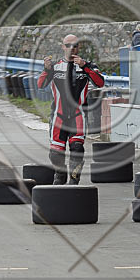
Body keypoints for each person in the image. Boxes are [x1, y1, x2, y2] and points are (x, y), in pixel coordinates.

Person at [38, 34, 105, 185]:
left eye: (74, 45)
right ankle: (59, 175)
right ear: (63, 47)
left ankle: (74, 181)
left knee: (76, 148)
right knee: (56, 153)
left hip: (78, 115)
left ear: (78, 47)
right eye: (68, 45)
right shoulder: (54, 66)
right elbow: (41, 85)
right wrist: (46, 70)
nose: (71, 48)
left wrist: (85, 67)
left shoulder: (88, 65)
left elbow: (100, 83)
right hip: (58, 116)